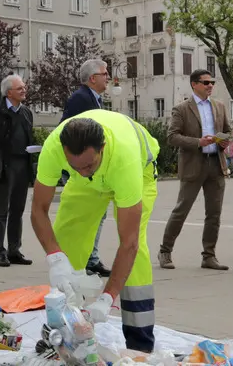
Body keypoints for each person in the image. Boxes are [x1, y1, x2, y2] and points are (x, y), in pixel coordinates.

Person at [30, 110, 160, 353]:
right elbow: (38, 210)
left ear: (102, 147)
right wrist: (55, 257)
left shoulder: (124, 161)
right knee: (66, 241)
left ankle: (139, 342)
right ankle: (61, 332)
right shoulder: (55, 149)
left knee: (136, 251)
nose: (83, 170)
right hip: (86, 187)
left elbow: (128, 242)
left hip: (137, 173)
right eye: (74, 166)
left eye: (89, 164)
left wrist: (107, 297)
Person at [158, 69, 231, 271]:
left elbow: (228, 131)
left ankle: (209, 255)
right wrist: (198, 142)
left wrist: (225, 141)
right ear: (194, 84)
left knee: (214, 213)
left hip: (216, 164)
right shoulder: (182, 109)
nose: (210, 86)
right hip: (193, 164)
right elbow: (172, 136)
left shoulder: (219, 106)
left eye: (212, 82)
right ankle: (165, 251)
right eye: (206, 82)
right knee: (181, 210)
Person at [58, 59, 112, 277]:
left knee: (98, 215)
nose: (108, 76)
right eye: (105, 73)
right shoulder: (81, 99)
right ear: (93, 78)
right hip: (83, 169)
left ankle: (91, 258)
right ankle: (85, 259)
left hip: (90, 167)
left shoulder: (92, 98)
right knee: (88, 214)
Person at [0, 74, 34, 267]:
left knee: (18, 210)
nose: (24, 90)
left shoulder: (27, 113)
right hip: (4, 166)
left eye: (24, 87)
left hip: (22, 165)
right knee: (1, 210)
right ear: (8, 92)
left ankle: (14, 250)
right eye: (20, 88)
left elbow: (29, 137)